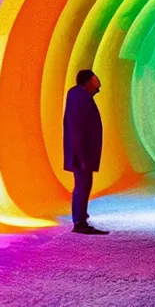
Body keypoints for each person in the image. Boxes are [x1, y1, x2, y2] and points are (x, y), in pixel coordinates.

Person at [63, 70, 109, 235]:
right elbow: (77, 126)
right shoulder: (78, 95)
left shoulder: (79, 96)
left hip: (82, 151)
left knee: (84, 184)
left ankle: (81, 217)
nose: (98, 84)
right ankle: (79, 222)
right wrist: (81, 154)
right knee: (82, 185)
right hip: (81, 152)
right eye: (96, 79)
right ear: (91, 79)